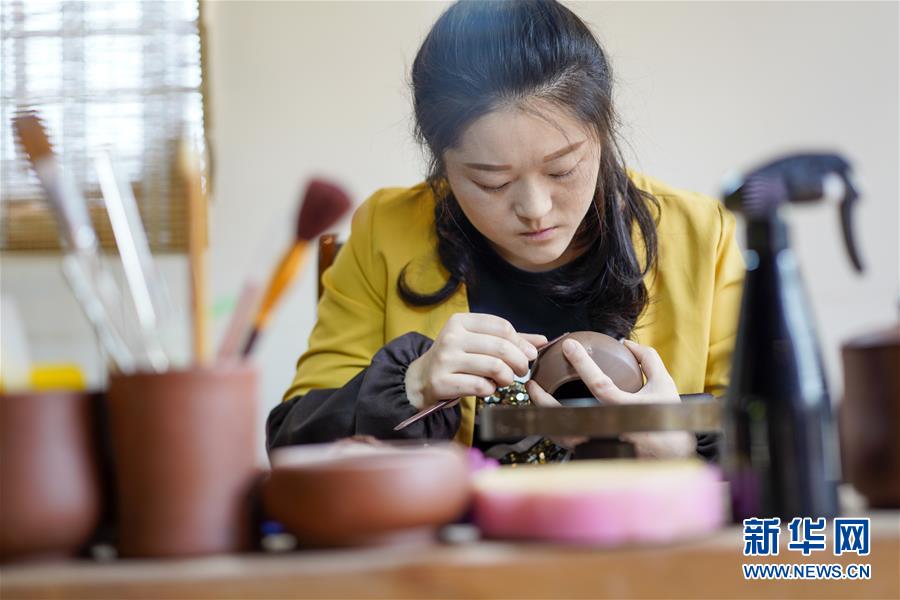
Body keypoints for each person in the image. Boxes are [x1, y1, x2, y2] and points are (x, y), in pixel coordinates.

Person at [266, 0, 744, 462]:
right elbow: (294, 442)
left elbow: (764, 434)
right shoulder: (386, 232)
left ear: (603, 130)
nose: (535, 209)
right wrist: (413, 385)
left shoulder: (700, 235)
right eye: (490, 182)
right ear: (441, 162)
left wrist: (679, 448)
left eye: (562, 170)